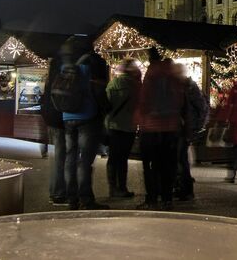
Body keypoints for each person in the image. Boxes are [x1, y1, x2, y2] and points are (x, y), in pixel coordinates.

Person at [51, 53, 109, 211]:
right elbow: (99, 93)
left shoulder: (64, 69)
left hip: (67, 117)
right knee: (83, 160)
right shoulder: (88, 69)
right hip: (86, 117)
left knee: (70, 158)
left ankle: (72, 199)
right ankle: (86, 199)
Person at [133, 52, 188, 210]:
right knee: (168, 165)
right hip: (171, 127)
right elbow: (182, 101)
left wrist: (139, 119)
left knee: (150, 166)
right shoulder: (173, 75)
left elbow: (144, 99)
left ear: (151, 59)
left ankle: (151, 199)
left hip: (151, 127)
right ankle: (167, 199)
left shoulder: (151, 74)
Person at [105, 59, 142, 199]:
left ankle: (113, 188)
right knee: (123, 158)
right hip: (130, 126)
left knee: (113, 158)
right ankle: (122, 187)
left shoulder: (113, 83)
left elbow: (106, 104)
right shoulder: (137, 85)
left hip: (114, 125)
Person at [176, 63, 209, 201]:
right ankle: (182, 187)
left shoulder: (190, 87)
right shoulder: (185, 87)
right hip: (184, 127)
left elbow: (202, 108)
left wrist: (197, 126)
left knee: (181, 158)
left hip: (186, 128)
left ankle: (186, 189)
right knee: (181, 157)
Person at [40, 58, 68, 205]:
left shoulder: (51, 78)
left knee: (57, 157)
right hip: (61, 120)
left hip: (52, 120)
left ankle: (56, 192)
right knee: (61, 157)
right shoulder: (63, 76)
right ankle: (59, 193)